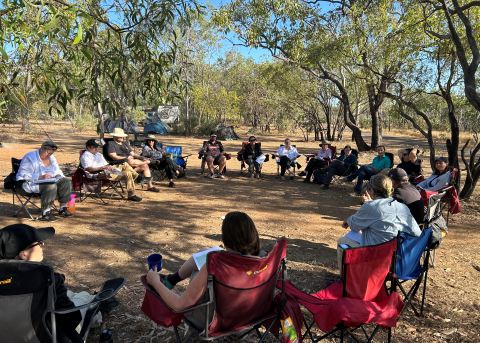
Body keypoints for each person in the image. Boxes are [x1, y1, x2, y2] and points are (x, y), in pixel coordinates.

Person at [146, 212, 265, 330]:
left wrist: (156, 282)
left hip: (213, 321)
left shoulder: (214, 265)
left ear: (225, 238)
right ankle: (171, 280)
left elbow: (179, 305)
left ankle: (166, 282)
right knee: (204, 251)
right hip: (250, 316)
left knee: (204, 260)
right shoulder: (264, 259)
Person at [0, 224, 102, 342]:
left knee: (69, 294)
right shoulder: (47, 280)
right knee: (85, 296)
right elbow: (71, 321)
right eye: (39, 243)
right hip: (48, 337)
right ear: (24, 255)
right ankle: (94, 308)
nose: (42, 245)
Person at [336, 174, 421, 274]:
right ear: (391, 190)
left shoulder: (370, 207)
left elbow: (354, 226)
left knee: (342, 241)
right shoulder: (402, 207)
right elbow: (417, 233)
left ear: (372, 191)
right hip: (403, 260)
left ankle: (345, 280)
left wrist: (366, 207)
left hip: (380, 259)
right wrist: (371, 203)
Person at [15, 140, 74, 222]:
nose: (49, 155)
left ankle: (63, 209)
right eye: (47, 153)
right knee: (51, 186)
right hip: (28, 184)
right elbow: (23, 175)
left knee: (66, 181)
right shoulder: (30, 157)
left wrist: (58, 175)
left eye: (51, 153)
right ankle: (46, 213)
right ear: (42, 148)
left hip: (46, 182)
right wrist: (40, 177)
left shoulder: (51, 158)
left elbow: (57, 170)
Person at [105, 128, 159, 192]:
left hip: (131, 163)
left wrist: (143, 158)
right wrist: (125, 158)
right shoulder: (111, 144)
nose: (122, 137)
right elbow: (114, 156)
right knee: (131, 161)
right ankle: (148, 163)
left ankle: (150, 186)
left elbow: (133, 154)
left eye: (122, 135)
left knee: (145, 165)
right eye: (120, 135)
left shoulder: (125, 143)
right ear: (114, 136)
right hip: (120, 164)